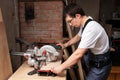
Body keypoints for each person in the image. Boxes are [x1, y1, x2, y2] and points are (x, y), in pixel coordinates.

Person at [51, 3, 112, 80]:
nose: (70, 24)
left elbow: (78, 54)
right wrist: (65, 45)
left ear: (77, 16)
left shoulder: (91, 28)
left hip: (100, 65)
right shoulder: (86, 23)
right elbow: (78, 37)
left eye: (70, 21)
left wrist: (60, 67)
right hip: (94, 60)